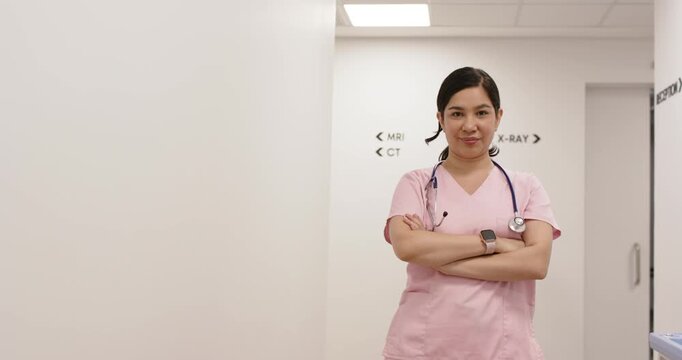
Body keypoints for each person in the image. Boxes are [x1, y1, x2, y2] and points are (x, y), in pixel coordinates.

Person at [382, 67, 561, 360]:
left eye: (481, 113)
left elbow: (536, 263)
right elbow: (407, 246)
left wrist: (444, 261)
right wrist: (497, 244)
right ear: (440, 118)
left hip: (505, 348)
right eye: (456, 114)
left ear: (497, 117)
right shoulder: (416, 183)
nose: (469, 125)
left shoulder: (526, 186)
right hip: (422, 347)